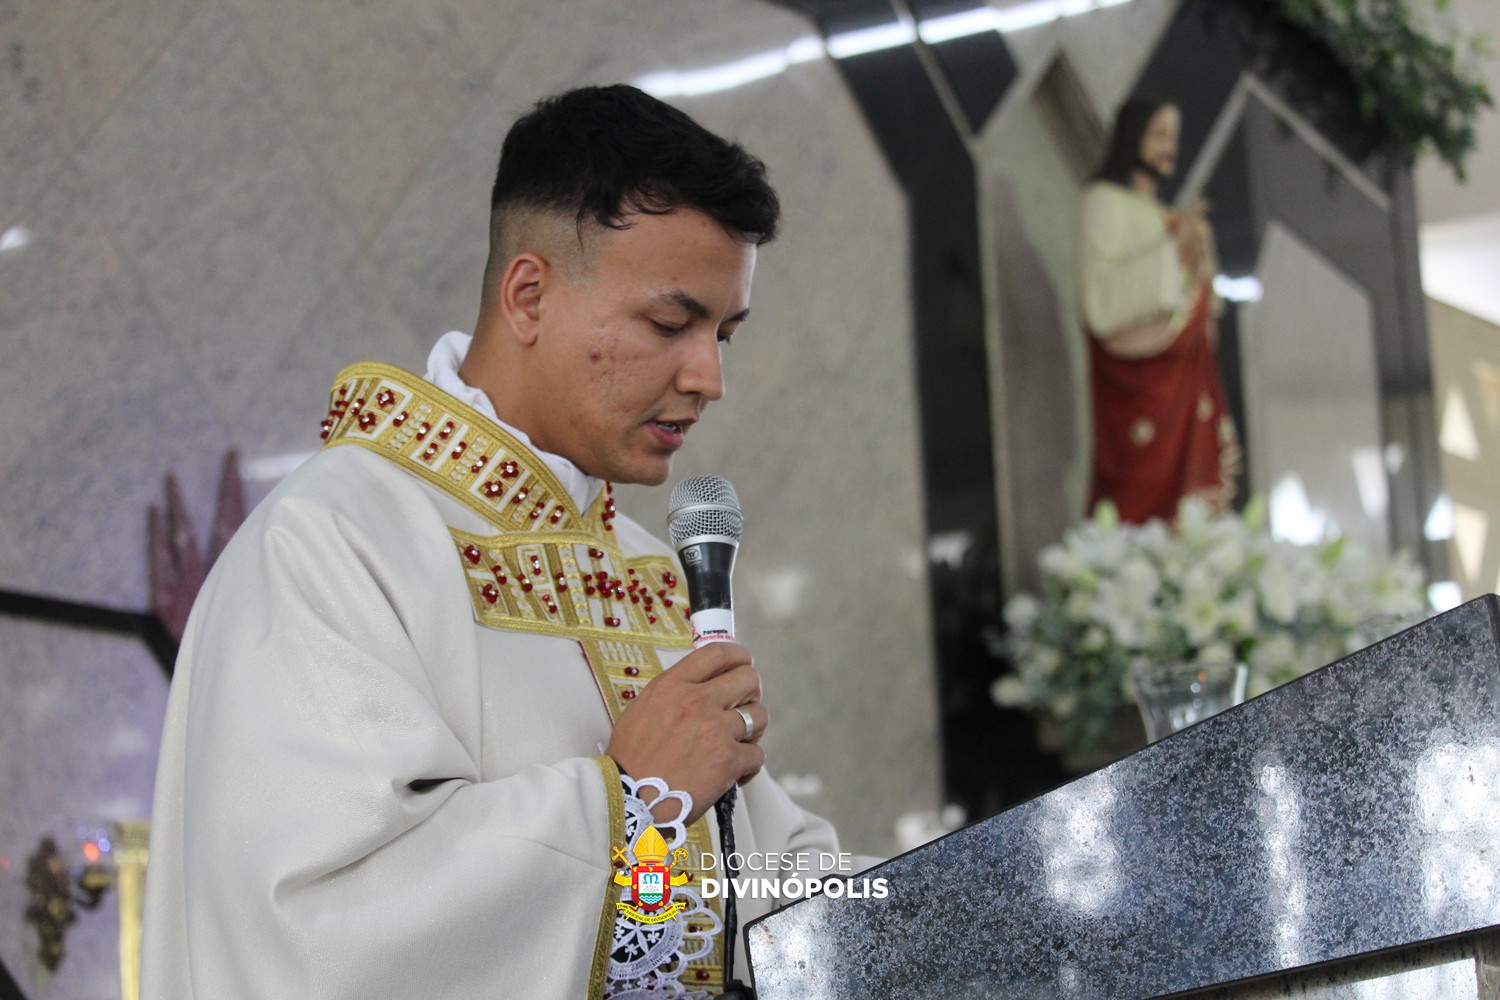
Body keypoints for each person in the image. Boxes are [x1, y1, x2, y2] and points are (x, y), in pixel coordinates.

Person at [140, 85, 857, 1000]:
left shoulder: (644, 567)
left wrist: (959, 910)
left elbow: (767, 881)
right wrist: (632, 799)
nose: (709, 376)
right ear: (528, 296)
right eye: (671, 324)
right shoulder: (334, 541)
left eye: (725, 333)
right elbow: (314, 929)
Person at [1077, 94, 1240, 524]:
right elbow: (1101, 302)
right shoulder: (1103, 201)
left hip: (1183, 374)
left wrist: (1195, 252)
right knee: (1140, 496)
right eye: (1160, 135)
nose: (1170, 147)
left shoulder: (1160, 212)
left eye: (1174, 137)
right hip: (1137, 382)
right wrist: (1172, 247)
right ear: (1133, 136)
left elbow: (1195, 296)